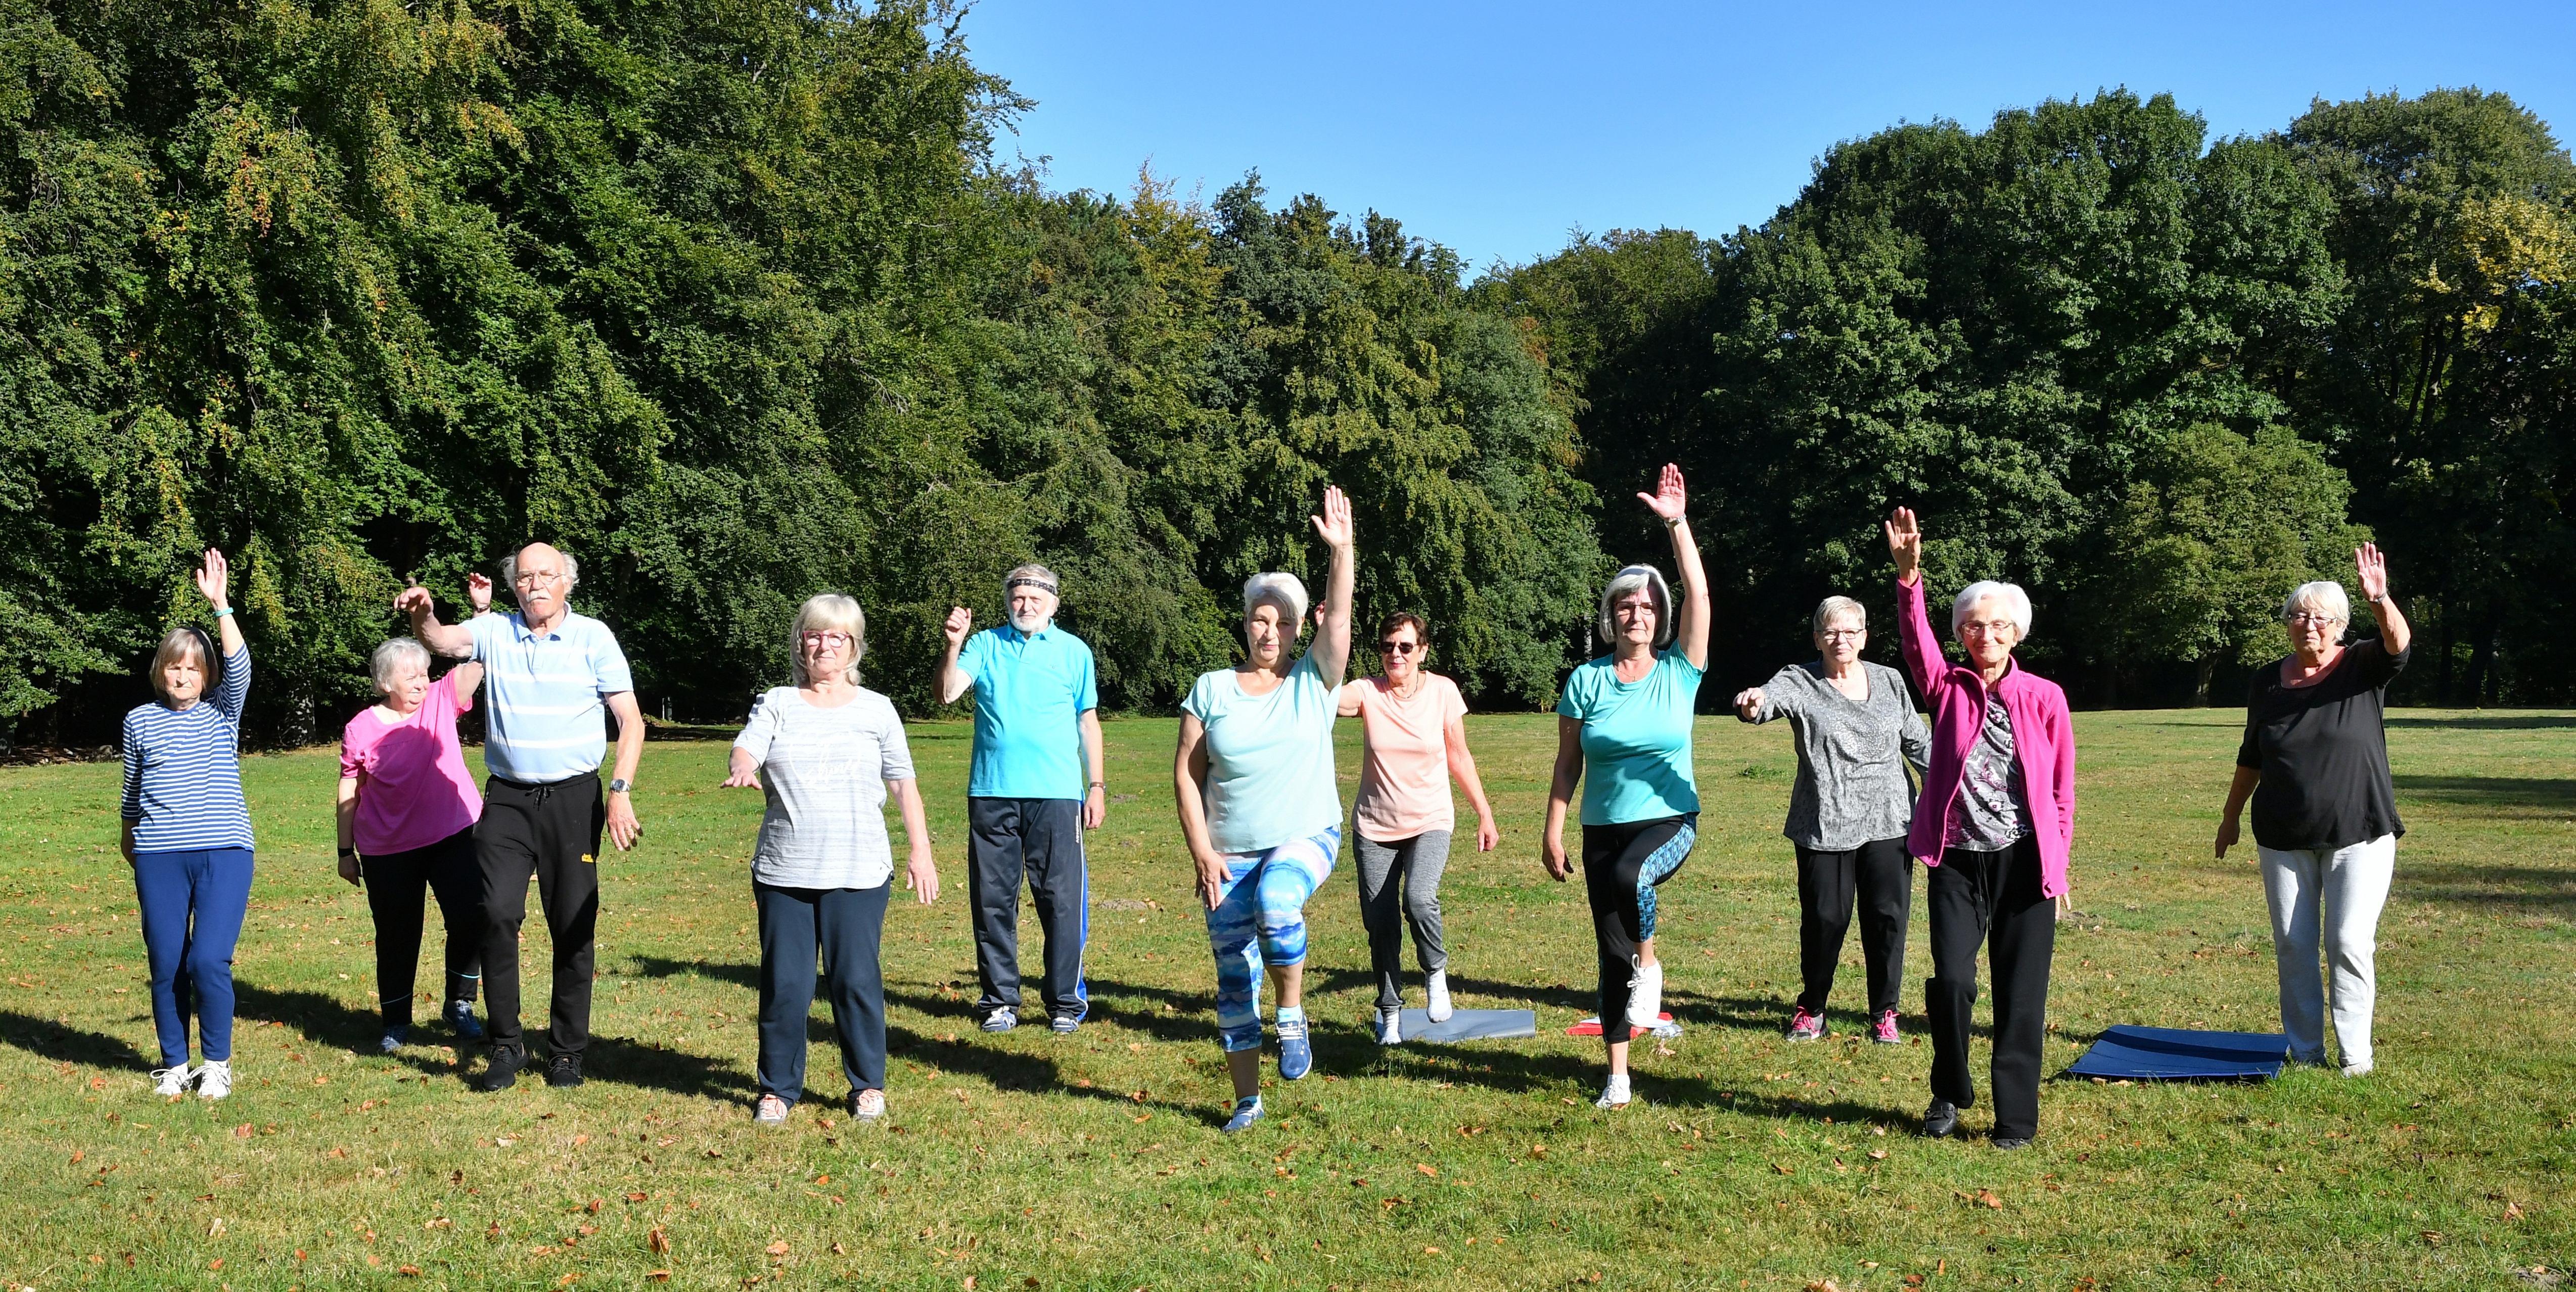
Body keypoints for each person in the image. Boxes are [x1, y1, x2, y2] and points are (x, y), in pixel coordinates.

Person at [398, 542, 645, 1092]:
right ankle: (506, 1045)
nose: (535, 584)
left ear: (567, 583)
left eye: (546, 575)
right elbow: (442, 641)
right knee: (495, 912)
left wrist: (620, 792)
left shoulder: (594, 637)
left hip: (574, 800)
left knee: (573, 926)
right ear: (515, 587)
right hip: (507, 801)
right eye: (526, 576)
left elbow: (631, 721)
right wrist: (423, 616)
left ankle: (566, 1053)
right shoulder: (495, 631)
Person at [1884, 507, 2075, 1150]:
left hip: (2024, 862)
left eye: (1997, 625)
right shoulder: (1947, 688)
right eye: (1973, 625)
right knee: (1954, 981)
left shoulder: (2044, 696)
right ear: (1961, 634)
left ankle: (2015, 1120)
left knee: (2021, 995)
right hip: (1956, 859)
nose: (1984, 634)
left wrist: (2058, 864)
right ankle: (1948, 1089)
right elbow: (1916, 647)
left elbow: (2060, 791)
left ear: (2015, 633)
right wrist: (1909, 580)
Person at [1174, 485, 1357, 1134]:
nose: (1269, 630)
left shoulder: (1314, 680)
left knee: (1280, 904)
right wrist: (1202, 850)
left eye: (1282, 620)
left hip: (1305, 833)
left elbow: (1339, 624)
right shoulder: (1212, 688)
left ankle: (1292, 1013)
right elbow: (1186, 773)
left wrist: (1342, 550)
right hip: (1227, 851)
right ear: (1246, 621)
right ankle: (1246, 1099)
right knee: (1230, 981)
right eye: (1260, 618)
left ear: (1298, 628)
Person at [725, 594, 939, 1125]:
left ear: (854, 647)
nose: (825, 645)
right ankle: (777, 1088)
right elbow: (746, 747)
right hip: (784, 870)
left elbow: (903, 785)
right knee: (786, 985)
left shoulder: (877, 709)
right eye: (815, 635)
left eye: (837, 637)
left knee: (855, 981)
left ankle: (866, 1084)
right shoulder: (776, 701)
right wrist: (743, 765)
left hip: (859, 869)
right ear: (801, 641)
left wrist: (921, 850)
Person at [1543, 464, 1711, 1112]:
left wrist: (1677, 525)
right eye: (1625, 606)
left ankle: (1652, 966)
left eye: (1646, 606)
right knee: (1607, 951)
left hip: (1670, 819)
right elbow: (1566, 765)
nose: (1636, 613)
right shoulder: (1585, 681)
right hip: (1599, 828)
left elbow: (1699, 595)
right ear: (1612, 618)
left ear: (1659, 616)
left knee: (1635, 878)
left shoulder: (1681, 670)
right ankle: (1617, 1076)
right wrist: (1553, 830)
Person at [2216, 545, 2411, 1078]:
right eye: (2298, 616)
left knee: (2347, 940)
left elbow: (2397, 644)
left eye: (2321, 618)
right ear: (2286, 624)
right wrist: (2230, 815)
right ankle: (2304, 1051)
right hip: (2281, 833)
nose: (2308, 625)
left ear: (2340, 626)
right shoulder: (2266, 680)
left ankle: (2355, 1058)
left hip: (2359, 831)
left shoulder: (2360, 665)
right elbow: (2252, 753)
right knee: (2292, 945)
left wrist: (2379, 599)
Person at [1733, 595, 1930, 1044]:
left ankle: (1885, 1013)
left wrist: (1950, 782)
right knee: (1825, 918)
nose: (1840, 640)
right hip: (1825, 820)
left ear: (1864, 636)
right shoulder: (1799, 680)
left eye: (1850, 631)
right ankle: (1813, 1008)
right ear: (1817, 637)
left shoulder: (1890, 680)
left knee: (1887, 917)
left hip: (1890, 819)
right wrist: (1752, 703)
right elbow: (1766, 702)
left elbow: (1918, 743)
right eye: (1830, 631)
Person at [938, 564, 1106, 1036]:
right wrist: (954, 645)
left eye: (1036, 598)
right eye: (1018, 598)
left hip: (1056, 795)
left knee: (1061, 900)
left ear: (1054, 603)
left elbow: (1088, 723)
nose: (1025, 606)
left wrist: (1096, 787)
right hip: (992, 791)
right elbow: (949, 693)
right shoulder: (985, 645)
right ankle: (999, 1001)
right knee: (993, 900)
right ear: (1007, 601)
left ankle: (1065, 1004)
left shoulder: (1075, 652)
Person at [337, 576, 492, 1053]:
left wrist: (482, 613)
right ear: (386, 683)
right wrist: (346, 852)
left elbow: (482, 662)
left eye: (425, 673)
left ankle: (459, 1004)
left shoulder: (444, 699)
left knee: (471, 918)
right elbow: (349, 789)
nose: (422, 682)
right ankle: (396, 1022)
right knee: (398, 934)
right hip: (387, 849)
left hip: (454, 834)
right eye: (410, 676)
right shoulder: (361, 728)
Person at [120, 549, 254, 1101]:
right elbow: (131, 791)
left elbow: (242, 665)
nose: (182, 675)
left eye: (193, 667)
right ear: (160, 670)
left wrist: (221, 606)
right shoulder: (139, 721)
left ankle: (216, 1065)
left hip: (224, 852)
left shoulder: (223, 712)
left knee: (207, 960)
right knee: (167, 962)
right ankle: (175, 1064)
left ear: (206, 675)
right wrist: (130, 841)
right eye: (174, 666)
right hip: (158, 856)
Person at [1339, 611, 1499, 1044]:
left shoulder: (1443, 691)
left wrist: (1483, 812)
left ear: (1422, 651)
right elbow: (1324, 693)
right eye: (1388, 647)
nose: (1396, 655)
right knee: (1381, 921)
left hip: (1430, 818)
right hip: (1374, 827)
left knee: (1419, 897)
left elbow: (1459, 755)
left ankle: (1435, 973)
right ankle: (1390, 1011)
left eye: (1406, 647)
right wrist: (1327, 634)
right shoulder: (1367, 693)